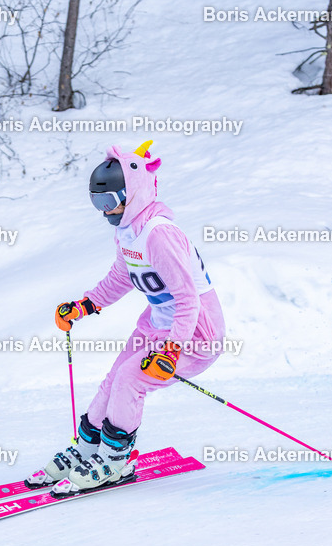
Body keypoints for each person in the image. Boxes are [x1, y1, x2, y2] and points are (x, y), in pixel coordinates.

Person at [26, 140, 226, 496]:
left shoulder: (159, 234)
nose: (105, 211)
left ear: (132, 193)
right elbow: (121, 277)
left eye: (110, 201)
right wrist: (85, 305)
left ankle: (115, 459)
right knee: (114, 378)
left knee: (129, 381)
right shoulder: (128, 231)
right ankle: (88, 450)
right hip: (159, 324)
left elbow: (187, 299)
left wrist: (171, 352)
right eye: (97, 203)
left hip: (195, 333)